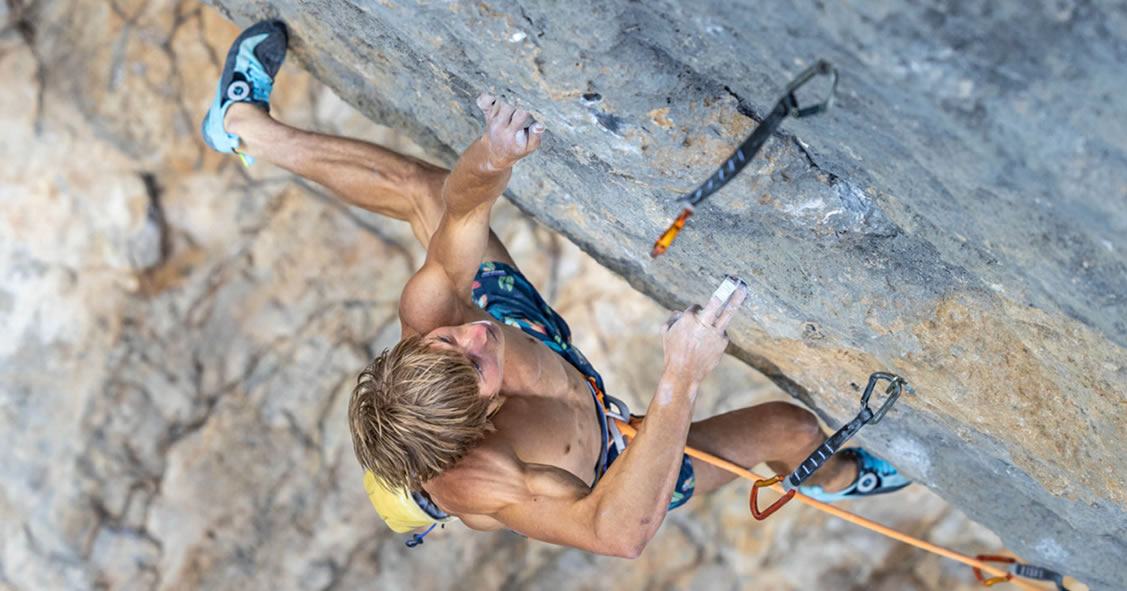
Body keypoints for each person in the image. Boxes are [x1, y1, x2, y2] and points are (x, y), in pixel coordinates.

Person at [201, 20, 910, 558]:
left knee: (425, 194)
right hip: (611, 465)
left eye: (451, 338)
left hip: (540, 336)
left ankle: (242, 127)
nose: (476, 334)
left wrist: (493, 154)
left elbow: (464, 209)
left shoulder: (436, 318)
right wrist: (680, 377)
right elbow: (617, 531)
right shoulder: (484, 476)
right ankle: (840, 475)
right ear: (483, 419)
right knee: (787, 428)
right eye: (476, 359)